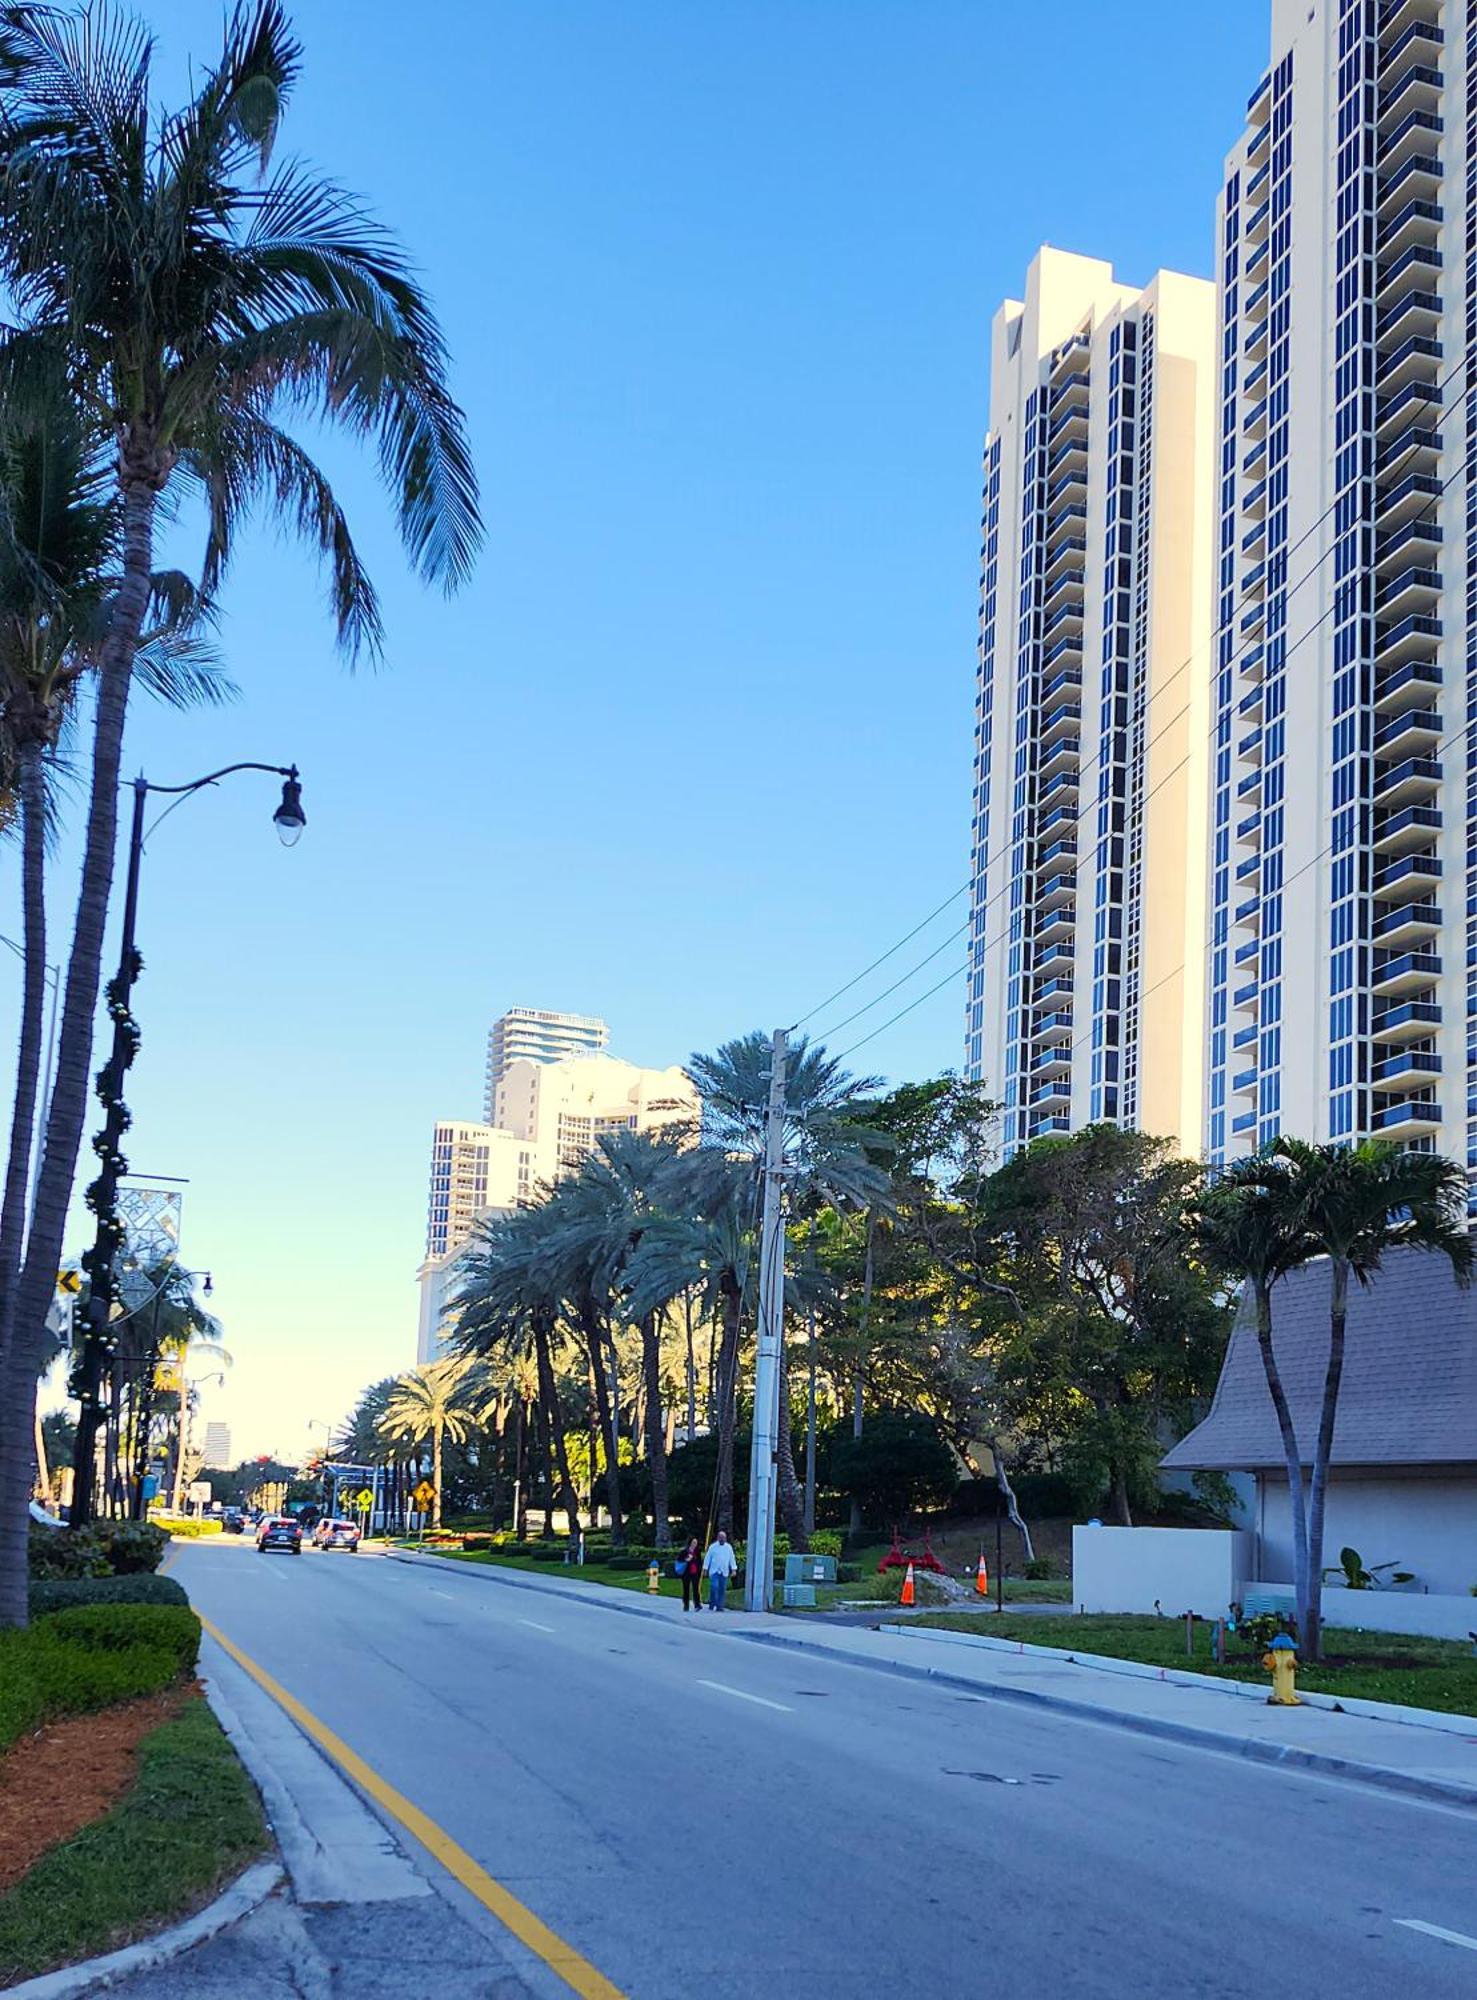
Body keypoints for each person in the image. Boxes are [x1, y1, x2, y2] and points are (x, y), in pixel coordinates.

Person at [703, 1529, 738, 1611]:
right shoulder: (712, 1547)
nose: (722, 1539)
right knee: (714, 1587)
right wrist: (705, 1569)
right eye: (721, 1537)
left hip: (724, 1571)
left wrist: (733, 1569)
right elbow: (707, 1558)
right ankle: (712, 1602)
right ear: (718, 1538)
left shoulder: (728, 1547)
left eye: (724, 1538)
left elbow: (731, 1559)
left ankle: (720, 1606)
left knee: (722, 1589)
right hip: (714, 1571)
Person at [678, 1536, 702, 1611]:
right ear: (690, 1543)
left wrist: (699, 1568)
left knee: (695, 1588)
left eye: (696, 1542)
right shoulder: (684, 1551)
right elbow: (679, 1560)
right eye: (693, 1542)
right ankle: (686, 1604)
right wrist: (686, 1559)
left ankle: (697, 1604)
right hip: (686, 1573)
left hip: (695, 1572)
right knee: (686, 1588)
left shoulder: (697, 1551)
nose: (695, 1544)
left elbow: (699, 1561)